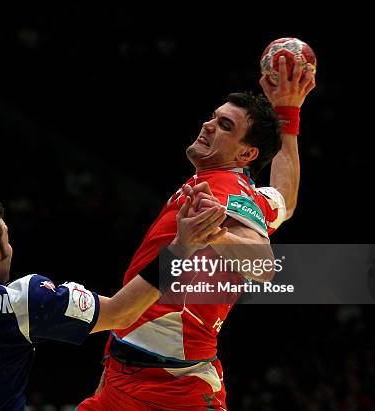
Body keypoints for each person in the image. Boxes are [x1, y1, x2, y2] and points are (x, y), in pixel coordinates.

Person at [0, 44, 228, 411]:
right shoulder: (23, 302)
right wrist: (183, 247)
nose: (11, 248)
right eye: (7, 239)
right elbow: (122, 313)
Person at [78, 55, 316, 410]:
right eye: (213, 117)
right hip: (126, 370)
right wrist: (288, 112)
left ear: (247, 152)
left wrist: (215, 234)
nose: (207, 125)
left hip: (173, 389)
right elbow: (286, 197)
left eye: (223, 125)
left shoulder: (225, 189)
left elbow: (263, 265)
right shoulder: (246, 194)